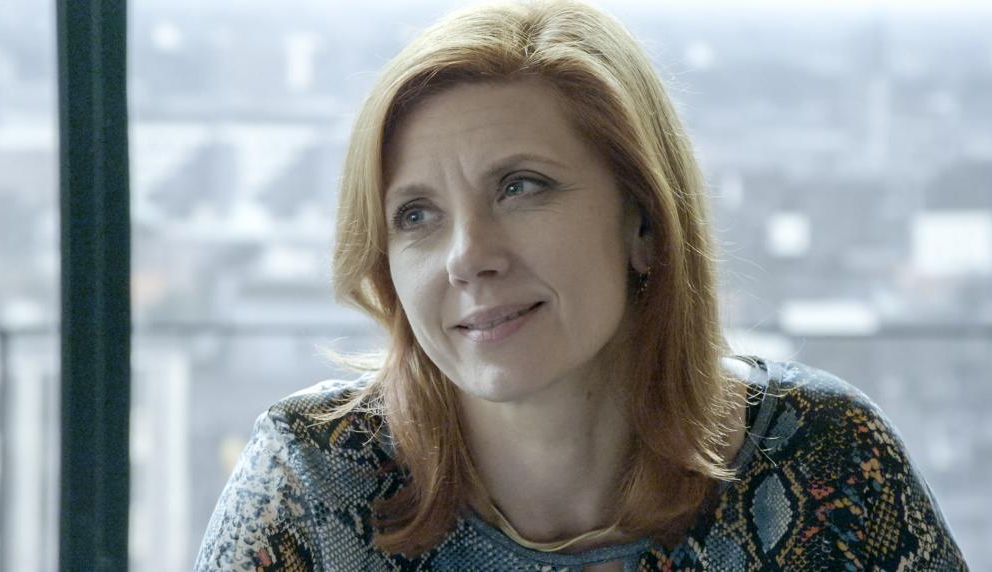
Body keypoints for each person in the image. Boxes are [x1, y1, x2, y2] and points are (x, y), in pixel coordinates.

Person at [194, 1, 967, 570]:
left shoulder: (823, 457)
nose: (468, 256)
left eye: (520, 187)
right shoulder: (310, 483)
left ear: (644, 223)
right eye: (416, 215)